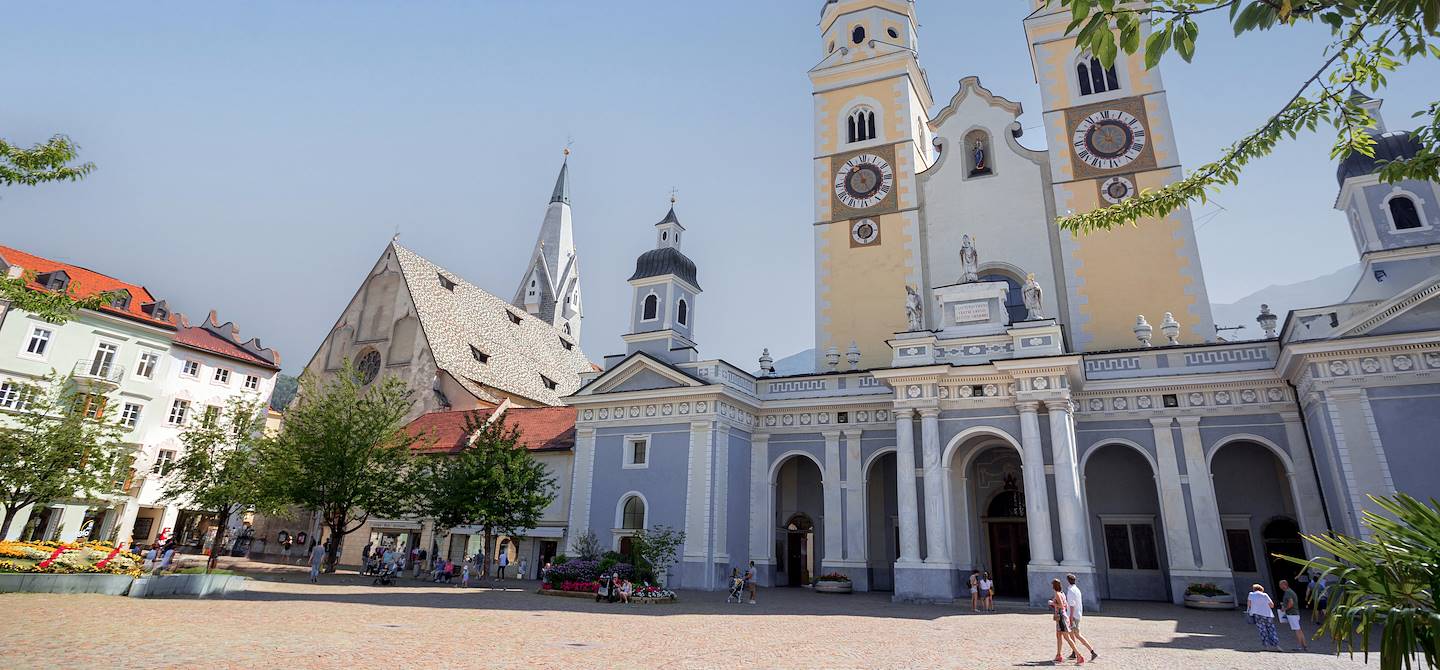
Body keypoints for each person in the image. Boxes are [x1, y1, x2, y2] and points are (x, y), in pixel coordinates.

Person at [1049, 578, 1084, 665]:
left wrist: (1052, 603)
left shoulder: (1057, 594)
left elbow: (1061, 605)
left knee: (1066, 637)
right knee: (1058, 636)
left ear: (1054, 586)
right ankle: (1059, 655)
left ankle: (1079, 655)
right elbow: (1066, 604)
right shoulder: (1062, 593)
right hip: (1061, 617)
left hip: (1061, 617)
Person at [1064, 574, 1099, 662]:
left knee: (1077, 635)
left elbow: (1072, 605)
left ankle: (1092, 652)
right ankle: (1074, 653)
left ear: (1068, 581)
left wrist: (1070, 618)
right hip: (1077, 614)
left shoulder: (1071, 591)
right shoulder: (1077, 589)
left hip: (1073, 616)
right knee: (1072, 634)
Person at [1246, 583, 1281, 652]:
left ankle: (1266, 646)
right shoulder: (1265, 595)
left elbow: (1249, 604)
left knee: (1262, 630)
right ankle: (1276, 645)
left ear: (1254, 589)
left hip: (1257, 614)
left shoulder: (1251, 594)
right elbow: (1272, 605)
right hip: (1267, 614)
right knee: (1271, 629)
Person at [1278, 579, 1308, 651]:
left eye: (1280, 585)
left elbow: (1291, 603)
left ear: (1284, 585)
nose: (1280, 586)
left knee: (1297, 630)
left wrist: (1284, 609)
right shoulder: (1291, 591)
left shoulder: (1288, 592)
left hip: (1292, 613)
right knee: (1299, 630)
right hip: (1295, 613)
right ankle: (1304, 645)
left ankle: (1300, 646)